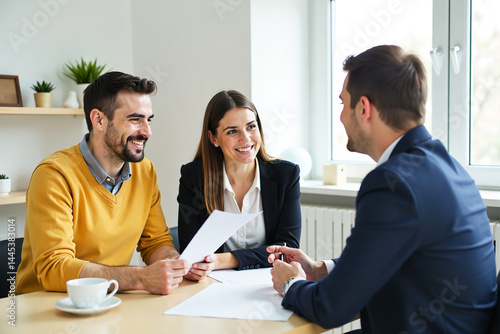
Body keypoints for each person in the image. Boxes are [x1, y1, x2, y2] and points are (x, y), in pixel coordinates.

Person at [267, 45, 497, 333]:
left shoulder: (393, 184)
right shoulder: (447, 166)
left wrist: (291, 284)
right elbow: (400, 257)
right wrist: (321, 271)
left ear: (364, 108)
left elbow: (330, 308)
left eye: (342, 104)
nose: (340, 117)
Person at [16, 71, 210, 296]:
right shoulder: (54, 175)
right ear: (99, 119)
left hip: (110, 300)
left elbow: (155, 242)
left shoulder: (144, 171)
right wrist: (140, 278)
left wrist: (177, 265)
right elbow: (54, 267)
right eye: (135, 119)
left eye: (148, 119)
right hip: (47, 307)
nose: (147, 131)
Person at [177, 90, 301, 274]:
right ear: (213, 138)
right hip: (213, 285)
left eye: (251, 126)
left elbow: (287, 249)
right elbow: (192, 253)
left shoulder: (286, 175)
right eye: (233, 131)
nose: (246, 139)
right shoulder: (193, 178)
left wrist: (221, 260)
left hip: (269, 281)